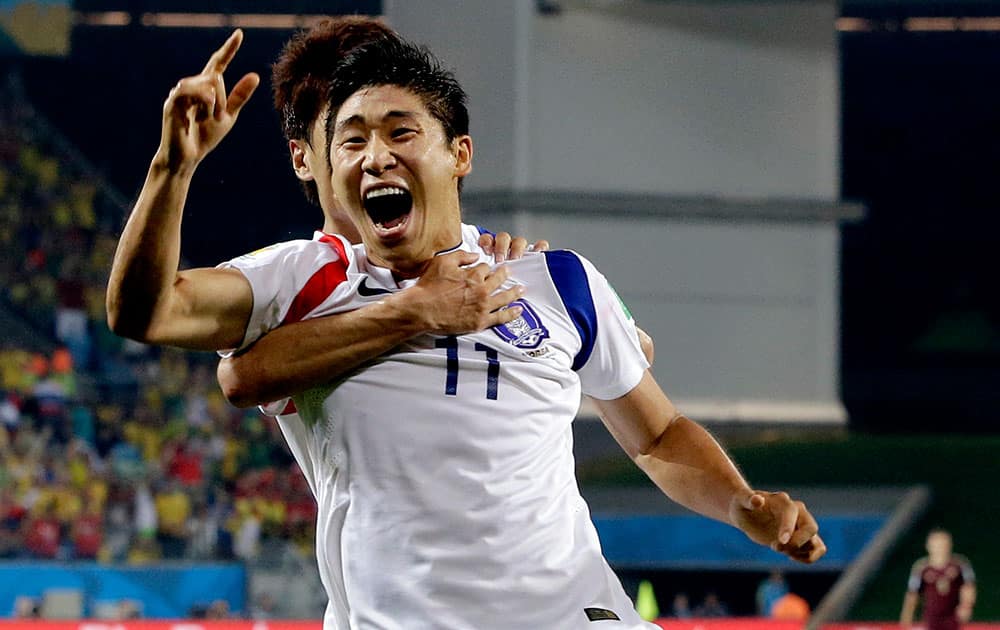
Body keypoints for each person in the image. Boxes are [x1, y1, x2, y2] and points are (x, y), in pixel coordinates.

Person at [207, 33, 826, 628]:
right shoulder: (298, 286)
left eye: (400, 129)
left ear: (458, 152)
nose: (376, 156)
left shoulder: (539, 273)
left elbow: (654, 426)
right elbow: (224, 363)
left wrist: (740, 501)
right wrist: (172, 168)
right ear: (311, 156)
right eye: (351, 135)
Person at [901, 528, 976, 630]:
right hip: (931, 617)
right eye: (937, 544)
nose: (940, 548)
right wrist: (906, 617)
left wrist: (966, 606)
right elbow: (912, 594)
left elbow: (968, 587)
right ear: (929, 546)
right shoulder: (921, 568)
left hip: (953, 617)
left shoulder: (960, 564)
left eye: (943, 544)